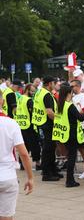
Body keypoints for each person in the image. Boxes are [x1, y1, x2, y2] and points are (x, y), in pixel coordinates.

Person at [0, 89, 33, 220]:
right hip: (8, 176)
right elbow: (24, 154)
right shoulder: (11, 123)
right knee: (7, 216)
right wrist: (30, 177)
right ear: (2, 101)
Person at [52, 83, 84, 187]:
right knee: (72, 158)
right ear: (69, 93)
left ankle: (70, 179)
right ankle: (70, 180)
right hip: (72, 134)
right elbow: (81, 118)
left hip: (65, 134)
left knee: (70, 157)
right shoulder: (69, 106)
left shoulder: (60, 105)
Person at [32, 76, 61, 181]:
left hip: (42, 123)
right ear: (50, 84)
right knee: (48, 149)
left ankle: (52, 170)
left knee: (49, 148)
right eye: (54, 82)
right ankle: (47, 173)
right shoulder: (47, 95)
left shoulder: (39, 92)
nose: (55, 84)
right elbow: (49, 112)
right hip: (48, 124)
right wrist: (59, 121)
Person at [15, 83, 41, 170]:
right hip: (30, 125)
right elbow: (33, 112)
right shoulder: (29, 100)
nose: (33, 93)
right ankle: (38, 163)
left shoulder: (20, 98)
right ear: (27, 90)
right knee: (35, 145)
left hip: (21, 125)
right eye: (32, 91)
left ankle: (22, 164)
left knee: (24, 145)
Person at [70, 79, 84, 179]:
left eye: (73, 86)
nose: (72, 88)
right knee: (79, 148)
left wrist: (75, 114)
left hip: (82, 125)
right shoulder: (72, 97)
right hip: (75, 126)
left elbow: (83, 111)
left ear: (78, 86)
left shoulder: (83, 97)